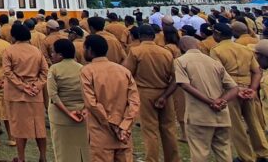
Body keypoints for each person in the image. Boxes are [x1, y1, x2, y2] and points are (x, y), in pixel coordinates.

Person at [209, 22, 268, 162]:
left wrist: (237, 89)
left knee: (237, 126)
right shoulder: (245, 49)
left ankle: (246, 157)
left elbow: (219, 74)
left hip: (231, 91)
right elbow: (256, 71)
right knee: (254, 123)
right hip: (248, 89)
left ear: (217, 34)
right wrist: (252, 89)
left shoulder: (216, 50)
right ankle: (263, 152)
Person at [175, 35, 239, 162]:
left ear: (181, 47)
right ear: (198, 45)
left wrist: (211, 102)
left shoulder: (181, 61)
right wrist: (222, 101)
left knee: (200, 153)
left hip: (199, 116)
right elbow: (234, 88)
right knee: (224, 152)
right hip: (221, 115)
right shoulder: (214, 62)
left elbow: (184, 85)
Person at [122, 24, 179, 162]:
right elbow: (176, 77)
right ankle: (173, 159)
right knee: (169, 129)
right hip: (166, 92)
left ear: (139, 36)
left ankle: (152, 159)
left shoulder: (136, 52)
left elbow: (126, 73)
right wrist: (165, 96)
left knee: (150, 130)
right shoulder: (166, 52)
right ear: (154, 36)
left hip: (145, 93)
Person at [80, 34, 140, 162]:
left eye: (84, 48)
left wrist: (113, 125)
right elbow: (134, 102)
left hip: (101, 133)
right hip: (123, 135)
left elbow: (92, 104)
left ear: (89, 50)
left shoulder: (87, 71)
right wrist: (124, 126)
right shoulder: (123, 71)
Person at [3, 22, 48, 160]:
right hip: (35, 93)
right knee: (39, 127)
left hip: (17, 94)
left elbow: (7, 72)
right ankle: (43, 156)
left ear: (14, 36)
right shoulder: (36, 51)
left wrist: (22, 86)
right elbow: (44, 71)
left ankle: (21, 157)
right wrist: (38, 85)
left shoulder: (9, 51)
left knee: (19, 128)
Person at [48, 38, 90, 162]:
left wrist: (68, 113)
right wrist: (83, 109)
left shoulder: (54, 69)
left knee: (63, 152)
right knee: (84, 151)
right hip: (82, 116)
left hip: (61, 118)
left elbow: (53, 96)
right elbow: (90, 94)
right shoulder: (83, 68)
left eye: (53, 52)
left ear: (60, 55)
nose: (51, 55)